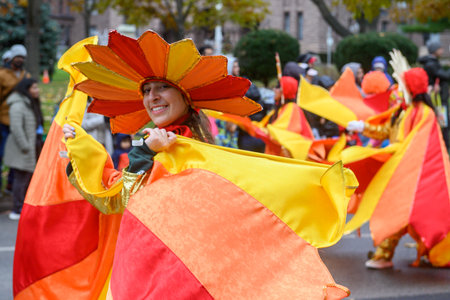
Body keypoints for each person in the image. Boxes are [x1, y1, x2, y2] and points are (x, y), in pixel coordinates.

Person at [24, 30, 356, 299]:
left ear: (186, 96)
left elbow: (247, 205)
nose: (152, 97)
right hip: (139, 271)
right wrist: (85, 152)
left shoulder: (202, 154)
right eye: (147, 90)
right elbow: (116, 200)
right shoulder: (148, 146)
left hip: (184, 277)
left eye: (163, 87)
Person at [346, 67, 450, 269]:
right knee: (409, 215)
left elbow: (417, 145)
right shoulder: (406, 111)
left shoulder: (424, 113)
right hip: (404, 171)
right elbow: (387, 131)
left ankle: (384, 255)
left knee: (398, 213)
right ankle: (412, 251)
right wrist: (363, 127)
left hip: (416, 175)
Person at [3, 78, 43, 220]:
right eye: (34, 88)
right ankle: (17, 209)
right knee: (21, 179)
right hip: (22, 149)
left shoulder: (28, 103)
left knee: (26, 178)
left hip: (31, 146)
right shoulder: (18, 105)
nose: (37, 90)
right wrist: (26, 146)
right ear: (26, 90)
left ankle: (23, 207)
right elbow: (16, 128)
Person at [0, 44, 30, 193]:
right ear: (12, 58)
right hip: (5, 120)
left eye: (22, 57)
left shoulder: (26, 75)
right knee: (5, 152)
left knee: (17, 154)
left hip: (22, 120)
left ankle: (11, 184)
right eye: (18, 57)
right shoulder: (2, 75)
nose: (20, 60)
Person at [419, 40, 450, 148]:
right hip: (438, 99)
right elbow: (445, 76)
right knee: (443, 123)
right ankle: (443, 147)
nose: (442, 50)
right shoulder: (431, 64)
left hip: (440, 98)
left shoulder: (432, 62)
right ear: (435, 50)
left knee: (443, 122)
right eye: (440, 48)